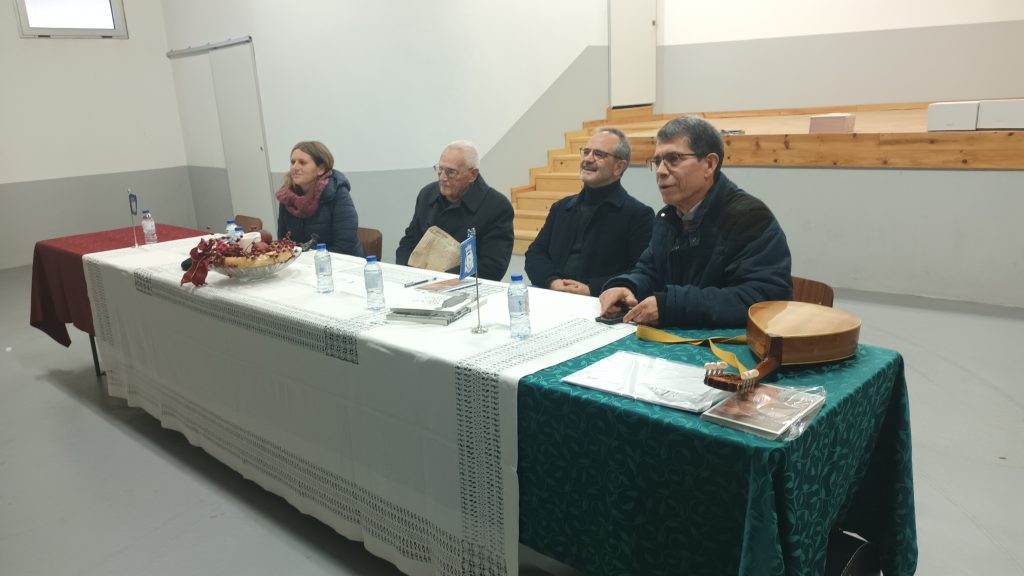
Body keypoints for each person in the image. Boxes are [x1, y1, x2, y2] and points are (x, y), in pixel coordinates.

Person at [599, 116, 792, 328]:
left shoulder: (749, 217)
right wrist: (628, 287)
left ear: (709, 164)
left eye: (673, 159)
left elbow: (762, 299)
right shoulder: (668, 217)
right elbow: (649, 270)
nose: (661, 171)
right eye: (657, 161)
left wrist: (671, 306)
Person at [525, 127, 653, 296]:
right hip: (552, 295)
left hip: (600, 303)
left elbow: (640, 273)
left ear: (619, 167)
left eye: (599, 154)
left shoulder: (638, 215)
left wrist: (591, 289)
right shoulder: (561, 207)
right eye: (586, 152)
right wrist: (553, 282)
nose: (588, 159)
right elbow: (535, 253)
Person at [396, 141, 514, 281]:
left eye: (451, 172)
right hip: (417, 281)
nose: (442, 177)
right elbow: (409, 241)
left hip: (464, 287)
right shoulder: (427, 194)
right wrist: (409, 271)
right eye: (440, 169)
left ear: (472, 174)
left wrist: (439, 279)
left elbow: (492, 267)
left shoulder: (496, 207)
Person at [276, 141, 364, 256]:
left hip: (340, 262)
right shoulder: (286, 195)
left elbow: (345, 246)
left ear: (320, 169)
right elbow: (283, 241)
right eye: (293, 162)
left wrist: (309, 260)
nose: (294, 167)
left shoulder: (337, 192)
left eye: (302, 162)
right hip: (302, 262)